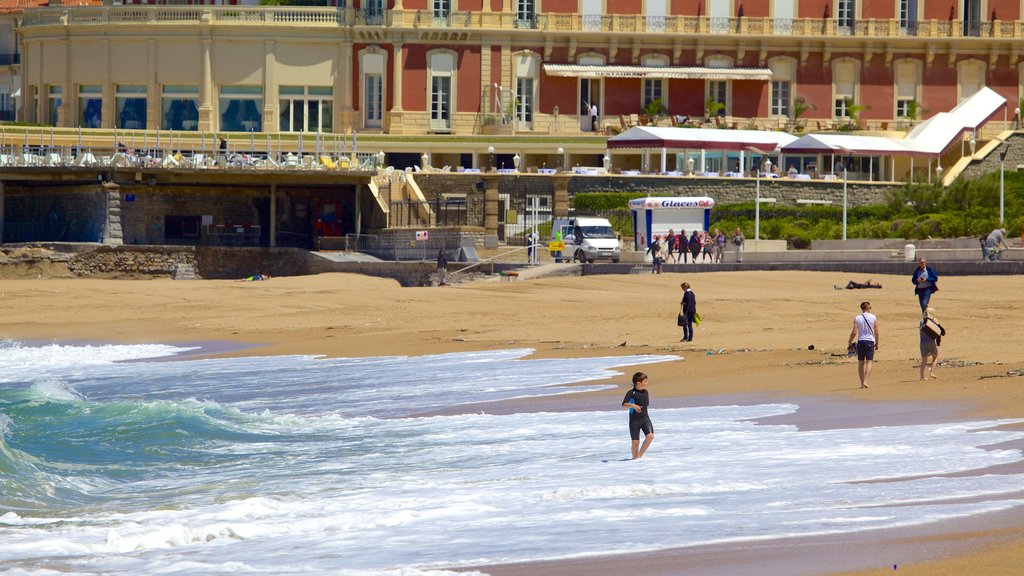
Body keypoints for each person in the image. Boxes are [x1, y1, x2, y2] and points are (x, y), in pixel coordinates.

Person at [621, 371, 654, 460]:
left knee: (650, 436)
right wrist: (632, 405)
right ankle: (635, 459)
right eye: (645, 381)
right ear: (638, 383)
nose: (647, 383)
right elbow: (624, 405)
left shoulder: (645, 392)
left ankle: (639, 456)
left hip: (645, 418)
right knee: (635, 442)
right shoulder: (631, 393)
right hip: (634, 421)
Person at [919, 307, 946, 381]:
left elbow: (920, 333)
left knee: (924, 360)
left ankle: (922, 377)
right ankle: (932, 373)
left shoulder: (921, 321)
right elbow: (941, 331)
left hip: (922, 342)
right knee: (935, 357)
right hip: (930, 341)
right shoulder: (934, 320)